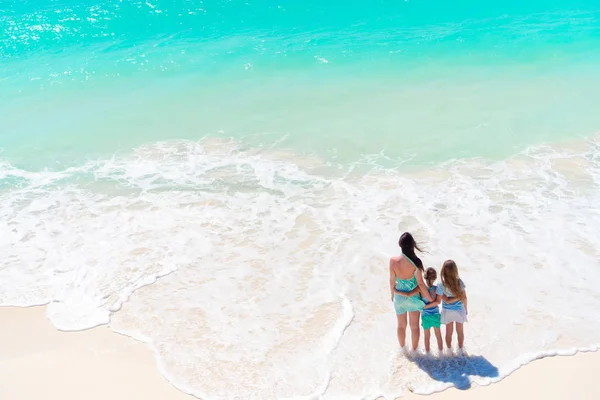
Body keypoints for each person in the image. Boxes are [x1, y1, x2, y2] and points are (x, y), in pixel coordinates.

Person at [389, 232, 433, 351]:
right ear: (412, 245)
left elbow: (392, 280)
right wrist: (430, 299)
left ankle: (403, 350)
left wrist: (392, 294)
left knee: (401, 326)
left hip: (399, 297)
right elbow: (420, 284)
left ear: (400, 245)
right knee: (414, 327)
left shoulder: (393, 261)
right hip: (413, 298)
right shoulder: (416, 262)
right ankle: (414, 352)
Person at [437, 260, 468, 350]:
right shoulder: (459, 282)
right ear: (455, 271)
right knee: (460, 332)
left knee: (449, 332)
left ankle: (449, 351)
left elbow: (446, 300)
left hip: (447, 311)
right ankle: (460, 350)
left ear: (443, 271)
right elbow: (464, 297)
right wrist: (465, 309)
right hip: (459, 310)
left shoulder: (441, 285)